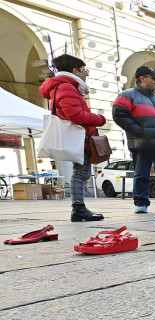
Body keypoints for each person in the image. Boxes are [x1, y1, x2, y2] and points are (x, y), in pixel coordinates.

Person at [38, 54, 106, 222]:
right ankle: (78, 209)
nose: (86, 74)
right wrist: (99, 119)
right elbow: (74, 115)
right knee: (80, 173)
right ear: (75, 70)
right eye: (84, 71)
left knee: (81, 173)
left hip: (79, 136)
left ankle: (79, 208)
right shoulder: (66, 87)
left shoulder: (64, 86)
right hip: (79, 137)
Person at [112, 66, 155, 213]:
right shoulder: (127, 95)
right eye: (153, 77)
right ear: (142, 78)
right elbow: (119, 115)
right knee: (141, 174)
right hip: (143, 142)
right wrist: (139, 132)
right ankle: (141, 204)